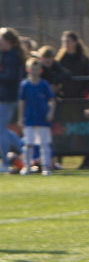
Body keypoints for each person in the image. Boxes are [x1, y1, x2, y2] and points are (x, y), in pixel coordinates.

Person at [17, 57, 56, 176]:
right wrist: (20, 118)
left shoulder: (44, 84)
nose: (34, 71)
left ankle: (46, 167)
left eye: (36, 69)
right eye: (32, 69)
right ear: (28, 70)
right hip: (29, 118)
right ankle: (27, 167)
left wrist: (50, 113)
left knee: (44, 144)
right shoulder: (24, 85)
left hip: (43, 118)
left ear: (40, 70)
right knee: (28, 143)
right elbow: (22, 102)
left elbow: (52, 100)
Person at [0, 27, 27, 174]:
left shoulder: (11, 56)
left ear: (8, 41)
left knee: (1, 130)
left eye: (1, 39)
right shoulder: (6, 54)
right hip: (5, 97)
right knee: (3, 129)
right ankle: (26, 152)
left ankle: (5, 163)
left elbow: (10, 77)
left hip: (8, 98)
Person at [54, 31, 89, 100]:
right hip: (64, 98)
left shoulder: (84, 60)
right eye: (64, 41)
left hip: (80, 98)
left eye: (68, 41)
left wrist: (85, 93)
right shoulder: (60, 60)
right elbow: (55, 77)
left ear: (75, 42)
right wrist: (58, 92)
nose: (66, 44)